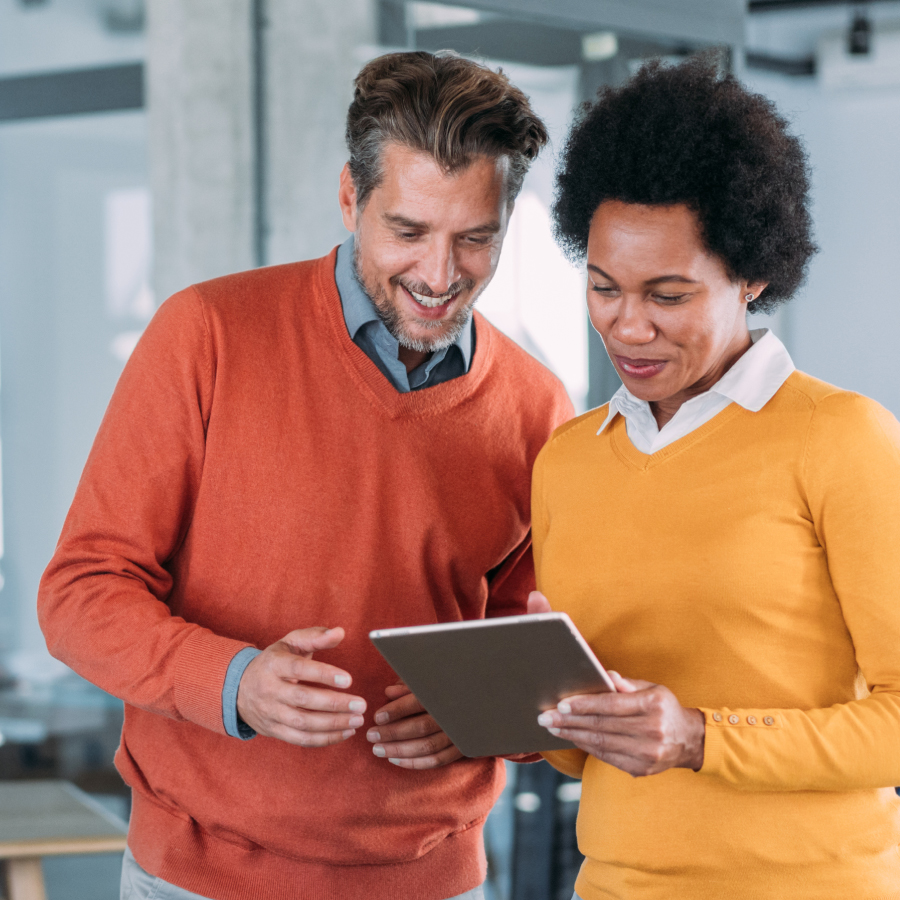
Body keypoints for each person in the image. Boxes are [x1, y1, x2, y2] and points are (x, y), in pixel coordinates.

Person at [38, 51, 573, 900]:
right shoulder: (206, 336)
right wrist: (232, 682)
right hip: (197, 878)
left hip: (435, 881)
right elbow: (79, 594)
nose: (440, 276)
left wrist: (477, 712)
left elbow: (532, 648)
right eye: (407, 231)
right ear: (349, 197)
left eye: (475, 239)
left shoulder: (539, 408)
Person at [528, 55, 900, 899]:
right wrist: (543, 700)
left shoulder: (842, 439)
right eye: (603, 287)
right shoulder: (569, 460)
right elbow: (575, 753)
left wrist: (701, 737)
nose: (629, 327)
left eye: (668, 295)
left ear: (753, 273)